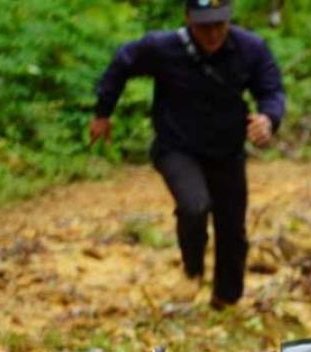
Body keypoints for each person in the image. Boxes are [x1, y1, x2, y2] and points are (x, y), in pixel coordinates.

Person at [90, 0, 286, 310]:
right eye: (203, 26)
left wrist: (268, 119)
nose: (211, 35)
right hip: (176, 147)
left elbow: (272, 90)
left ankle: (226, 299)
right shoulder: (162, 47)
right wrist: (103, 112)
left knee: (232, 229)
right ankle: (192, 268)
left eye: (218, 26)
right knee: (194, 206)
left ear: (229, 20)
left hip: (226, 151)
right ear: (188, 19)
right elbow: (122, 62)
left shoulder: (251, 48)